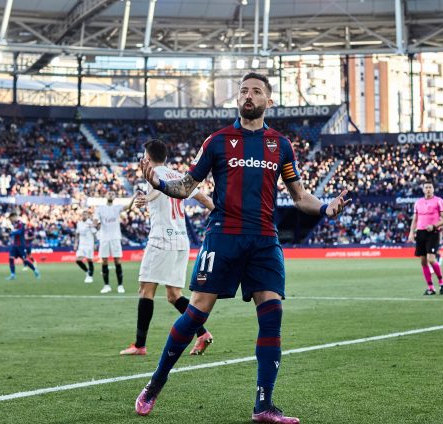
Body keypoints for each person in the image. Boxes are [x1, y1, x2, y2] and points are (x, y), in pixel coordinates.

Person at [133, 72, 350, 423]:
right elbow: (187, 186)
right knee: (196, 313)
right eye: (244, 91)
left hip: (264, 239)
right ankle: (156, 383)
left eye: (256, 91)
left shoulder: (280, 145)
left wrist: (325, 207)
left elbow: (299, 196)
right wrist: (157, 182)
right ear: (237, 99)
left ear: (268, 101)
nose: (248, 95)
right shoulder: (217, 141)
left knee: (272, 315)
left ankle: (263, 405)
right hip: (223, 236)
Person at [120, 139, 216, 357]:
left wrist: (147, 196)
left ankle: (139, 345)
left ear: (147, 157)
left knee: (146, 290)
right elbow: (203, 198)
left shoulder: (153, 174)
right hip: (181, 240)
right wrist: (222, 215)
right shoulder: (179, 176)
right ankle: (202, 333)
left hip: (162, 239)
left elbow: (158, 190)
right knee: (173, 295)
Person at [408, 179, 443, 295]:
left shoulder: (439, 201)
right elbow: (415, 219)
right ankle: (431, 287)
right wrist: (411, 232)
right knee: (423, 262)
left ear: (433, 189)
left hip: (433, 232)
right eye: (426, 187)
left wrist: (434, 226)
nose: (428, 189)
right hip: (420, 233)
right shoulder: (418, 202)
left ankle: (441, 282)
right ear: (423, 189)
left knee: (431, 259)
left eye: (430, 187)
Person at [95, 191, 137, 294]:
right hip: (104, 238)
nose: (110, 194)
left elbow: (128, 207)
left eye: (112, 194)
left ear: (114, 197)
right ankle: (106, 286)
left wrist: (134, 197)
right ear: (105, 196)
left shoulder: (117, 207)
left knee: (117, 261)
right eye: (109, 193)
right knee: (104, 261)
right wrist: (97, 223)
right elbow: (96, 220)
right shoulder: (100, 208)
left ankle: (120, 285)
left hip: (115, 237)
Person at [6, 214, 40, 281]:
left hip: (20, 245)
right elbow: (12, 232)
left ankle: (35, 270)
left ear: (15, 217)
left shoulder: (20, 223)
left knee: (25, 260)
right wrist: (10, 232)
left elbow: (20, 232)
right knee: (11, 258)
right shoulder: (13, 224)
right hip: (14, 245)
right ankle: (12, 275)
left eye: (11, 218)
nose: (10, 219)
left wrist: (12, 233)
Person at [75, 210, 97, 283]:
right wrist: (75, 243)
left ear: (87, 216)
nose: (84, 215)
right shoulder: (79, 223)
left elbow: (94, 233)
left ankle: (90, 276)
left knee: (89, 260)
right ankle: (87, 271)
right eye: (83, 214)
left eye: (86, 214)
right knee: (78, 260)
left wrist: (95, 244)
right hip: (81, 245)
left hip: (89, 244)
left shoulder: (90, 223)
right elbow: (77, 233)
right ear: (82, 215)